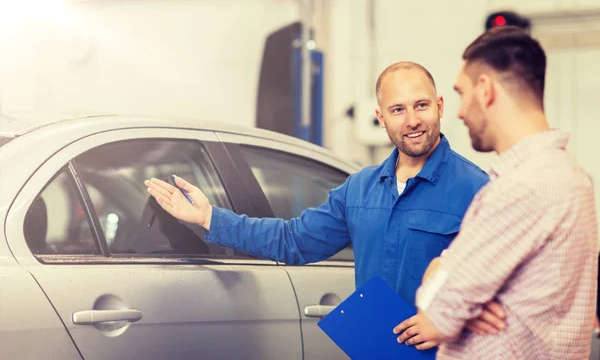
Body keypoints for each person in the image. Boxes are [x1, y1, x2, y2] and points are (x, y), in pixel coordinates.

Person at [145, 61, 496, 350]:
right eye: (398, 110)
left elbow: (506, 285)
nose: (412, 120)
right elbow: (292, 240)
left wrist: (452, 321)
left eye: (421, 105)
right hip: (376, 351)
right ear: (381, 117)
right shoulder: (359, 189)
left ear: (439, 106)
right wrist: (209, 218)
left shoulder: (477, 189)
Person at [394, 26, 598, 359]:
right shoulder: (570, 175)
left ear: (485, 90)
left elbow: (437, 311)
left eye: (461, 93)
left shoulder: (522, 187)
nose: (458, 112)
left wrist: (440, 275)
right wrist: (467, 301)